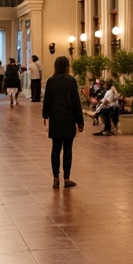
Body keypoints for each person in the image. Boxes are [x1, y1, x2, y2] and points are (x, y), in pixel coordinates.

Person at [42, 55, 84, 188]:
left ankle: (55, 178)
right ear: (67, 66)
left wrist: (45, 115)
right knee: (67, 148)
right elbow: (75, 101)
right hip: (68, 117)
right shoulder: (71, 81)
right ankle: (66, 179)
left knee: (55, 148)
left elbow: (47, 100)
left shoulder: (50, 80)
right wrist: (80, 121)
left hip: (55, 117)